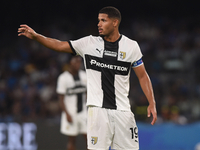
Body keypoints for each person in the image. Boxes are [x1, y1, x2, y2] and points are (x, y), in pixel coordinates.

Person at [18, 6, 157, 150]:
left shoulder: (131, 46)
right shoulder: (89, 43)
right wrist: (37, 36)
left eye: (103, 20)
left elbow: (143, 76)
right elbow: (60, 45)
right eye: (98, 20)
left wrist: (151, 102)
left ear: (115, 23)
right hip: (97, 112)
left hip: (123, 112)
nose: (99, 24)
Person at [56, 55, 87, 150]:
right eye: (75, 62)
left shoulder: (84, 76)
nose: (77, 64)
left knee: (90, 140)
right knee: (72, 140)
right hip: (70, 113)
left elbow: (88, 94)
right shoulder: (63, 78)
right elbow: (61, 99)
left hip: (84, 113)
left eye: (79, 62)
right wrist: (67, 114)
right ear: (70, 62)